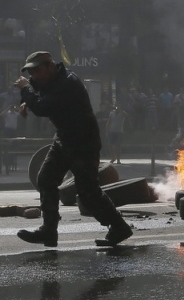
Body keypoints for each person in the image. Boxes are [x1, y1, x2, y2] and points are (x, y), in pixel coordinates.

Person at [14, 51, 132, 248]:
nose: (33, 76)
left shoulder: (68, 82)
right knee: (46, 179)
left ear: (50, 66)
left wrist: (25, 90)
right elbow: (40, 90)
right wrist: (27, 98)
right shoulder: (51, 80)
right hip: (64, 138)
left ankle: (118, 226)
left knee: (88, 191)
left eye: (36, 70)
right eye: (31, 72)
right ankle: (49, 231)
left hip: (83, 141)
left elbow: (43, 106)